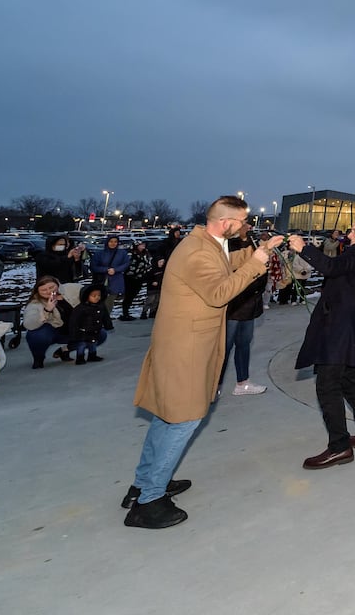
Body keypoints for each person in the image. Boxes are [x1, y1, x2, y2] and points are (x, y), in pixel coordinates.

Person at [122, 195, 284, 529]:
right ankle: (149, 501)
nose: (246, 227)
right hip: (187, 349)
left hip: (186, 344)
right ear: (226, 223)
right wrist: (256, 264)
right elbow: (218, 292)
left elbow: (224, 263)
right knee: (184, 419)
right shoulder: (197, 252)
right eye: (242, 222)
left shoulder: (207, 244)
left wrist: (259, 252)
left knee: (166, 416)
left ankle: (143, 483)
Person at [289, 218, 355, 469]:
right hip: (352, 327)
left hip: (341, 328)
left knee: (328, 383)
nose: (350, 233)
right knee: (347, 381)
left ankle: (339, 447)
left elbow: (332, 267)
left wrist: (303, 248)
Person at [220, 224, 269, 395]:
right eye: (245, 222)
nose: (249, 226)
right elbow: (240, 266)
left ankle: (242, 382)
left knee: (244, 344)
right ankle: (213, 386)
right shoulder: (229, 245)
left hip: (250, 302)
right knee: (224, 348)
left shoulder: (252, 241)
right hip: (235, 304)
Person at [21, 277, 74, 368]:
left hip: (73, 329)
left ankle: (64, 350)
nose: (49, 291)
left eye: (51, 287)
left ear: (57, 285)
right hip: (52, 331)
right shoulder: (35, 304)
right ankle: (38, 358)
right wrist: (47, 310)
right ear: (37, 291)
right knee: (37, 335)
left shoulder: (68, 291)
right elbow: (28, 324)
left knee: (100, 334)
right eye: (44, 290)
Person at [91, 235, 129, 326]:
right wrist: (106, 270)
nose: (113, 244)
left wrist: (116, 270)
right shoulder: (100, 253)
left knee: (110, 300)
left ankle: (105, 318)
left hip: (115, 280)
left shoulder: (122, 253)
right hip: (102, 280)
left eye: (115, 242)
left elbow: (126, 264)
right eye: (111, 241)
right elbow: (93, 266)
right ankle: (96, 318)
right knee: (98, 300)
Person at [69, 285, 111, 364]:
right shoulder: (81, 308)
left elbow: (105, 317)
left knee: (93, 344)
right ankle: (80, 357)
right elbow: (74, 321)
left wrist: (108, 325)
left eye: (99, 295)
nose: (97, 297)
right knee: (82, 345)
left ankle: (92, 355)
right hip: (83, 331)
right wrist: (74, 332)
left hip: (95, 330)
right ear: (86, 296)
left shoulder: (101, 306)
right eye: (93, 295)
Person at [122, 240, 156, 321]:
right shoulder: (131, 254)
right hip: (130, 278)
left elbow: (149, 263)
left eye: (144, 245)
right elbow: (128, 265)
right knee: (128, 295)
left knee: (134, 294)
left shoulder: (146, 254)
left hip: (140, 278)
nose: (143, 246)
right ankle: (125, 312)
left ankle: (127, 311)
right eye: (141, 245)